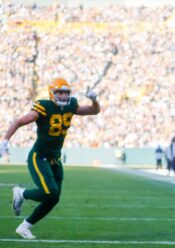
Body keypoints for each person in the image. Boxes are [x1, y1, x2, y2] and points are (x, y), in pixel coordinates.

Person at [0, 78, 100, 239]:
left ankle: (24, 227)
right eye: (59, 92)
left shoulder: (71, 105)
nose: (62, 95)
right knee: (50, 192)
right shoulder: (44, 107)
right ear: (51, 93)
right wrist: (5, 140)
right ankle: (21, 193)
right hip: (39, 157)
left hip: (55, 158)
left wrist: (95, 100)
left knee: (53, 198)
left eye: (65, 92)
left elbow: (94, 111)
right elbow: (19, 121)